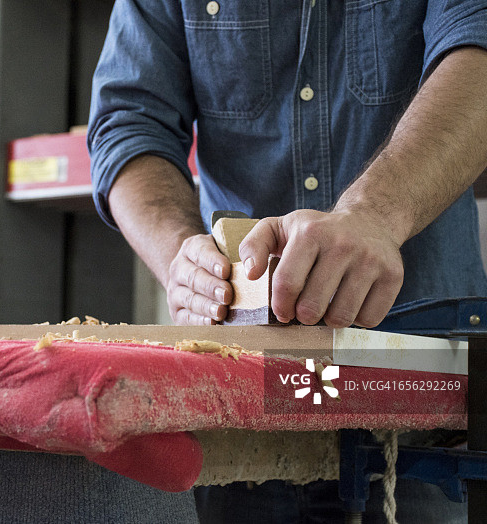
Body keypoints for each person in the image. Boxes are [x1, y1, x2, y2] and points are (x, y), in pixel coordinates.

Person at [88, 1, 487, 522]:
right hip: (237, 401)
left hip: (418, 399)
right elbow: (128, 122)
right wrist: (181, 262)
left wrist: (377, 215)